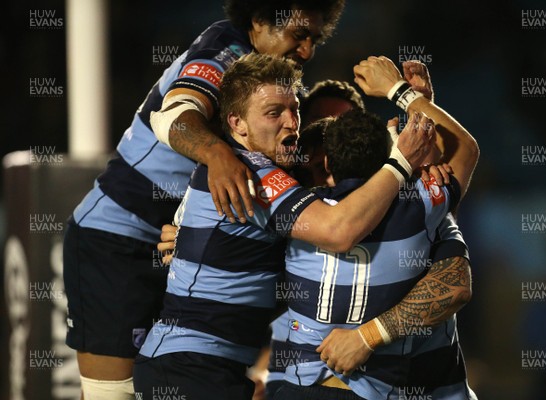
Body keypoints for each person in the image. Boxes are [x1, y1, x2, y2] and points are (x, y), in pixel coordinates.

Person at [63, 1, 346, 398]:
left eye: (314, 39)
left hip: (179, 256)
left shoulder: (278, 83)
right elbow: (173, 114)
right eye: (298, 35)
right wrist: (218, 155)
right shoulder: (224, 51)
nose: (306, 50)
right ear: (259, 19)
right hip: (116, 240)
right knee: (113, 393)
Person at [133, 52, 436, 399]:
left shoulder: (263, 171)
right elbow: (338, 231)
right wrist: (402, 163)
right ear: (237, 123)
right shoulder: (252, 173)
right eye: (274, 113)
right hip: (189, 368)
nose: (292, 123)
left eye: (294, 110)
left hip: (197, 365)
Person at [272, 56, 479, 400]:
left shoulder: (290, 214)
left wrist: (366, 337)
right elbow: (465, 150)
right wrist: (408, 100)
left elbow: (455, 285)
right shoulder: (421, 204)